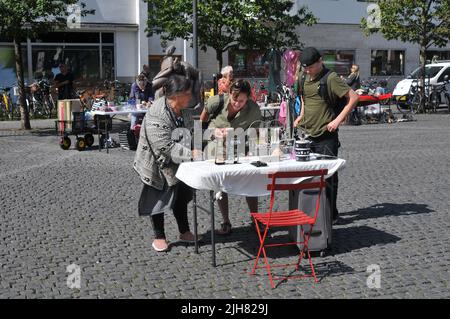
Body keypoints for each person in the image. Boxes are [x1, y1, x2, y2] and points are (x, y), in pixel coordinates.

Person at [134, 74, 201, 252]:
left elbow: (192, 129)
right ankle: (159, 236)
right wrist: (192, 154)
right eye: (187, 93)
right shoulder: (158, 113)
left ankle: (184, 231)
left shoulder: (182, 107)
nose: (190, 96)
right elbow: (165, 147)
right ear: (177, 95)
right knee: (158, 198)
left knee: (181, 195)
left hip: (180, 161)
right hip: (156, 162)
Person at [293, 47, 359, 223]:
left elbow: (353, 97)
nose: (308, 71)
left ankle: (331, 214)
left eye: (311, 67)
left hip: (326, 135)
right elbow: (305, 98)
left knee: (328, 177)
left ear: (320, 61)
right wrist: (301, 115)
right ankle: (313, 212)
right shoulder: (302, 77)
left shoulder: (331, 78)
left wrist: (337, 121)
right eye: (305, 67)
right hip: (306, 134)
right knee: (307, 176)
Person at [199, 79, 262, 235]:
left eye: (241, 100)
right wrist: (213, 132)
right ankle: (226, 221)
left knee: (250, 183)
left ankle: (255, 219)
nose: (237, 103)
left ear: (248, 97)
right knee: (220, 185)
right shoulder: (216, 102)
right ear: (229, 94)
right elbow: (202, 122)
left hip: (240, 150)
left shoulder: (254, 109)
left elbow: (255, 134)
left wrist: (249, 147)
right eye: (234, 99)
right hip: (216, 150)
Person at [129, 74, 154, 144]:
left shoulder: (149, 85)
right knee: (134, 117)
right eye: (141, 86)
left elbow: (151, 95)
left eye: (144, 85)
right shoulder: (134, 86)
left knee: (151, 118)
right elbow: (134, 97)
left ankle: (150, 136)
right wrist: (139, 103)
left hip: (146, 106)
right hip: (137, 106)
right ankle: (132, 134)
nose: (143, 88)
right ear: (138, 83)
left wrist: (149, 102)